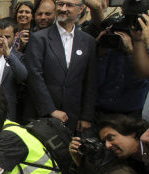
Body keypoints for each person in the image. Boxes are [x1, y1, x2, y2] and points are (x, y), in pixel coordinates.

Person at [24, 0, 97, 133]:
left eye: (69, 5)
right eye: (60, 4)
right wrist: (50, 110)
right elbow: (35, 76)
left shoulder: (88, 42)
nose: (63, 8)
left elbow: (90, 81)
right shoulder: (39, 38)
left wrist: (86, 116)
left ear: (81, 9)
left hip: (73, 116)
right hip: (43, 114)